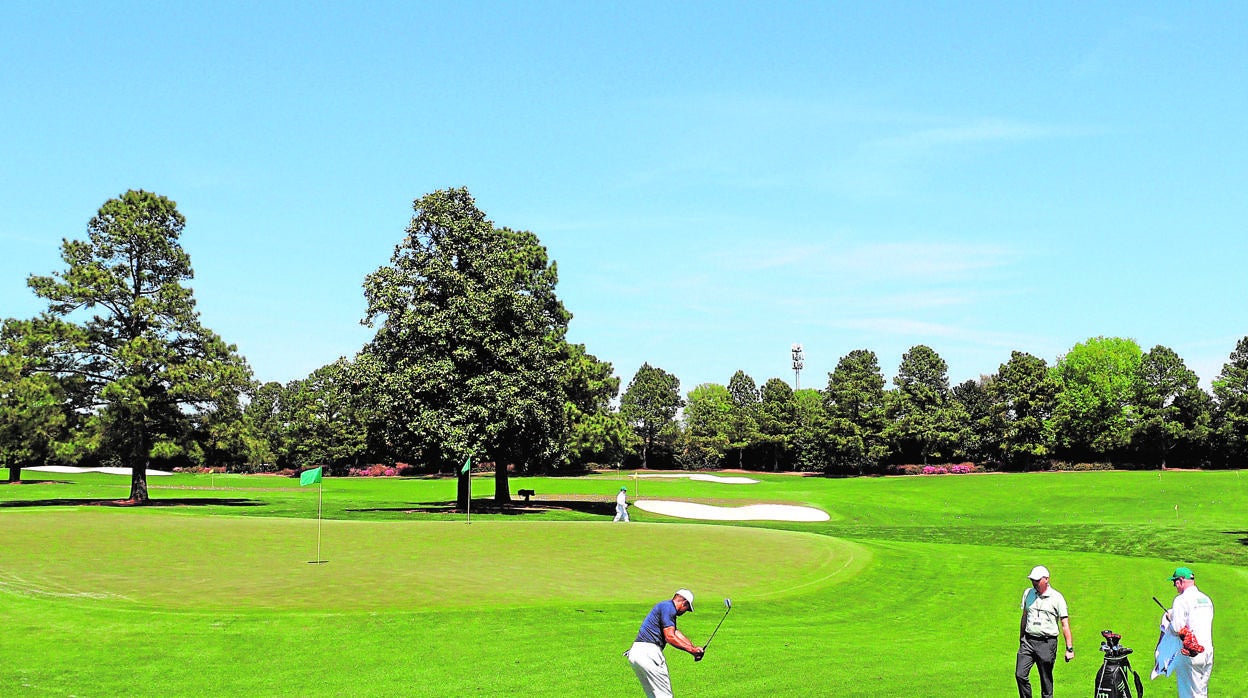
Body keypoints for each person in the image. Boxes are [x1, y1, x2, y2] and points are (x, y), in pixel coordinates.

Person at [626, 589, 703, 698]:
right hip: (649, 654)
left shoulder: (665, 607)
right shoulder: (669, 608)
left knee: (653, 696)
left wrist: (693, 649)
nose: (685, 612)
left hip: (636, 654)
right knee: (665, 696)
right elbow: (670, 637)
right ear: (684, 603)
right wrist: (691, 650)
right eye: (687, 609)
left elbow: (676, 633)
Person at [1016, 565, 1074, 698]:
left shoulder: (1057, 598)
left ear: (1046, 579)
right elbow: (1024, 616)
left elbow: (1065, 625)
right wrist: (1021, 638)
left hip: (1047, 644)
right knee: (1020, 674)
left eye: (1037, 580)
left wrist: (1069, 649)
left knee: (1046, 681)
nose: (1034, 583)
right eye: (1032, 580)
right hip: (1028, 641)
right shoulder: (1028, 593)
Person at [1163, 566, 1214, 698]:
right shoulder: (1206, 599)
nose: (1175, 586)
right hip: (1208, 651)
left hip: (1190, 652)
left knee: (1188, 694)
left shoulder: (1181, 600)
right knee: (1201, 693)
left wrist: (1170, 617)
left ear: (1180, 581)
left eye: (1175, 582)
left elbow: (1177, 629)